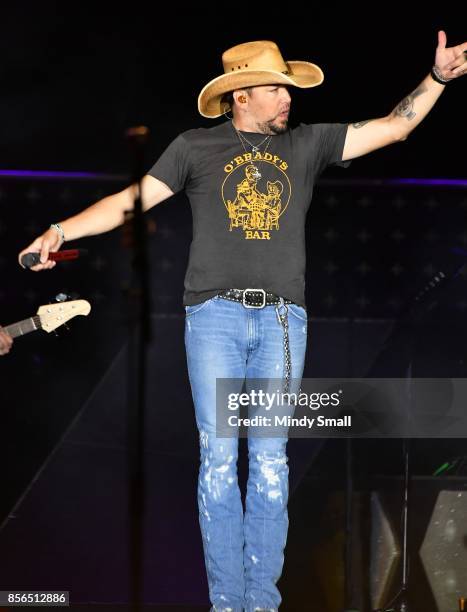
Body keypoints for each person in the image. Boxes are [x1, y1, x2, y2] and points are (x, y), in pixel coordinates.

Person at [18, 34, 466, 611]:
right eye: (276, 89)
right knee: (220, 458)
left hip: (283, 321)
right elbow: (129, 201)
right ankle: (227, 602)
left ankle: (262, 603)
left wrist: (437, 80)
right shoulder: (194, 148)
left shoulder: (307, 144)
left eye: (289, 89)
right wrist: (59, 231)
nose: (287, 99)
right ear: (241, 95)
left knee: (272, 461)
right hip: (214, 320)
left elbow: (393, 127)